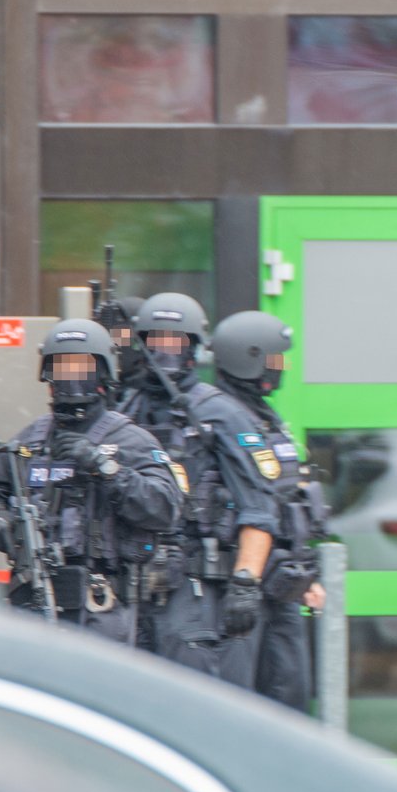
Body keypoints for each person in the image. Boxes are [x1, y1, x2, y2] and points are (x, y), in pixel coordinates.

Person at [0, 319, 180, 641]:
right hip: (31, 599)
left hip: (99, 605)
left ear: (103, 372)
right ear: (47, 374)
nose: (71, 376)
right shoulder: (30, 441)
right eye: (62, 366)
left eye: (82, 366)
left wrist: (103, 466)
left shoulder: (131, 440)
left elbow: (164, 507)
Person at [119, 293, 282, 689]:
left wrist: (245, 583)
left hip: (197, 589)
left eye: (176, 341)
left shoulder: (221, 413)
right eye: (156, 340)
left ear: (195, 346)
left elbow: (259, 508)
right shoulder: (124, 410)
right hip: (131, 586)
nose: (165, 351)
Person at [212, 310, 330, 713]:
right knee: (250, 703)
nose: (284, 368)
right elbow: (252, 505)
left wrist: (300, 574)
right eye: (277, 359)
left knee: (290, 694)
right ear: (251, 357)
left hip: (281, 583)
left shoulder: (264, 416)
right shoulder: (225, 416)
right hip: (246, 588)